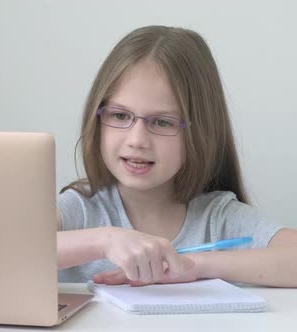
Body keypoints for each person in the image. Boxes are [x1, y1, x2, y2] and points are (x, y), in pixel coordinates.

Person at [57, 25, 297, 287]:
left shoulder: (218, 218)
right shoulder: (79, 210)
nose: (137, 140)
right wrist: (104, 241)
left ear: (199, 131)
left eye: (162, 122)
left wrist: (195, 265)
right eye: (120, 115)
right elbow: (9, 248)